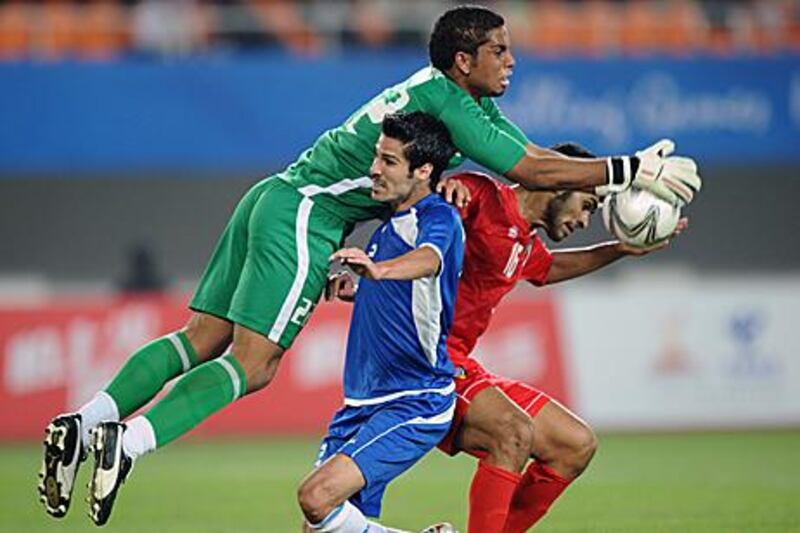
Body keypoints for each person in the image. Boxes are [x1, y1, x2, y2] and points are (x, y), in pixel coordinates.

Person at [38, 5, 700, 525]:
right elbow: (532, 169)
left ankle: (87, 419)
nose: (513, 61)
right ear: (463, 59)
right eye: (501, 50)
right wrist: (630, 168)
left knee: (200, 339)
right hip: (307, 215)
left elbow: (533, 165)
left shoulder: (461, 103)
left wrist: (615, 203)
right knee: (254, 363)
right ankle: (125, 446)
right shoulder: (445, 105)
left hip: (275, 197)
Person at [327, 142, 688, 533]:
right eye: (587, 205)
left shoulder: (526, 244)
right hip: (425, 364)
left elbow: (548, 269)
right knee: (511, 430)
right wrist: (380, 277)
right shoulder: (478, 196)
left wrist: (620, 249)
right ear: (559, 183)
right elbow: (421, 222)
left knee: (575, 444)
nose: (585, 221)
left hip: (460, 364)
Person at [297, 112, 463, 533]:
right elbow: (406, 296)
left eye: (389, 161)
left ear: (423, 171)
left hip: (415, 398)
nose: (374, 169)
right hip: (361, 403)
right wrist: (364, 289)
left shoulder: (438, 217)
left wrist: (380, 271)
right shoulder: (388, 228)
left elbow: (430, 260)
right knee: (320, 525)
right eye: (377, 157)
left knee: (316, 498)